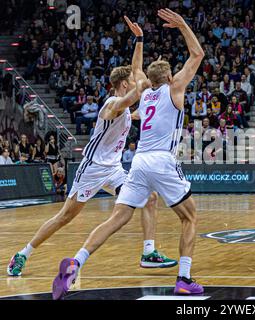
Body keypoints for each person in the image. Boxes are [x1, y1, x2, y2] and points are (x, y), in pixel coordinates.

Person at [52, 11, 205, 299]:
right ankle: (184, 278)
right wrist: (183, 25)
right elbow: (197, 55)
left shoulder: (145, 93)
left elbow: (136, 71)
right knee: (190, 218)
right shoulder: (175, 89)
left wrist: (140, 40)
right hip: (161, 160)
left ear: (150, 79)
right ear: (170, 76)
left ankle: (77, 261)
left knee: (117, 219)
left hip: (138, 162)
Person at [8, 67, 176, 279]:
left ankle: (149, 252)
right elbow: (128, 101)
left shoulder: (124, 110)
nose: (136, 83)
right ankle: (24, 253)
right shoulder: (111, 104)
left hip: (114, 170)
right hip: (92, 169)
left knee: (150, 197)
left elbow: (133, 112)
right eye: (133, 81)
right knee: (64, 217)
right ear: (124, 84)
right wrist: (144, 83)